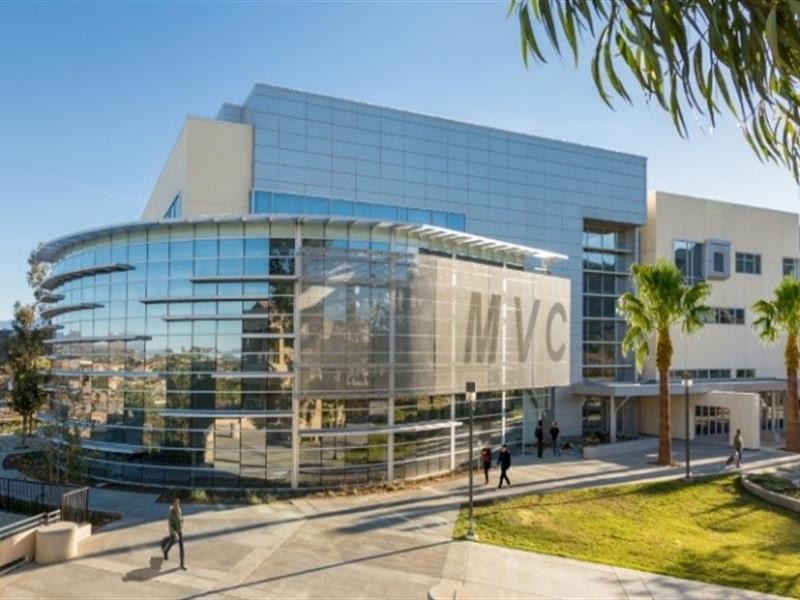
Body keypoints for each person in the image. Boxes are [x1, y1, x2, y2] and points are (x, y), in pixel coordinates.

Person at [160, 498, 187, 570]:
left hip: (179, 531)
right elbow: (170, 525)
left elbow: (181, 518)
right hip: (173, 532)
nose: (177, 505)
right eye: (175, 504)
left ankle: (182, 564)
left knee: (181, 548)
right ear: (173, 504)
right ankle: (165, 552)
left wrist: (181, 525)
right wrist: (174, 533)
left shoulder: (180, 510)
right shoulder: (171, 513)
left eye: (178, 503)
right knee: (171, 543)